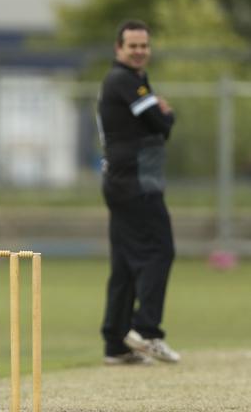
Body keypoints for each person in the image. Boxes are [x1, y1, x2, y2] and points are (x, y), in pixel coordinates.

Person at [96, 20, 180, 365]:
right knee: (160, 250)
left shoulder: (133, 80)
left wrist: (162, 116)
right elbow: (161, 125)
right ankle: (146, 332)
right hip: (136, 182)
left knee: (126, 264)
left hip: (125, 180)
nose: (140, 51)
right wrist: (167, 113)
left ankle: (116, 342)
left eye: (144, 45)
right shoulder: (124, 79)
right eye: (133, 45)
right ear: (119, 49)